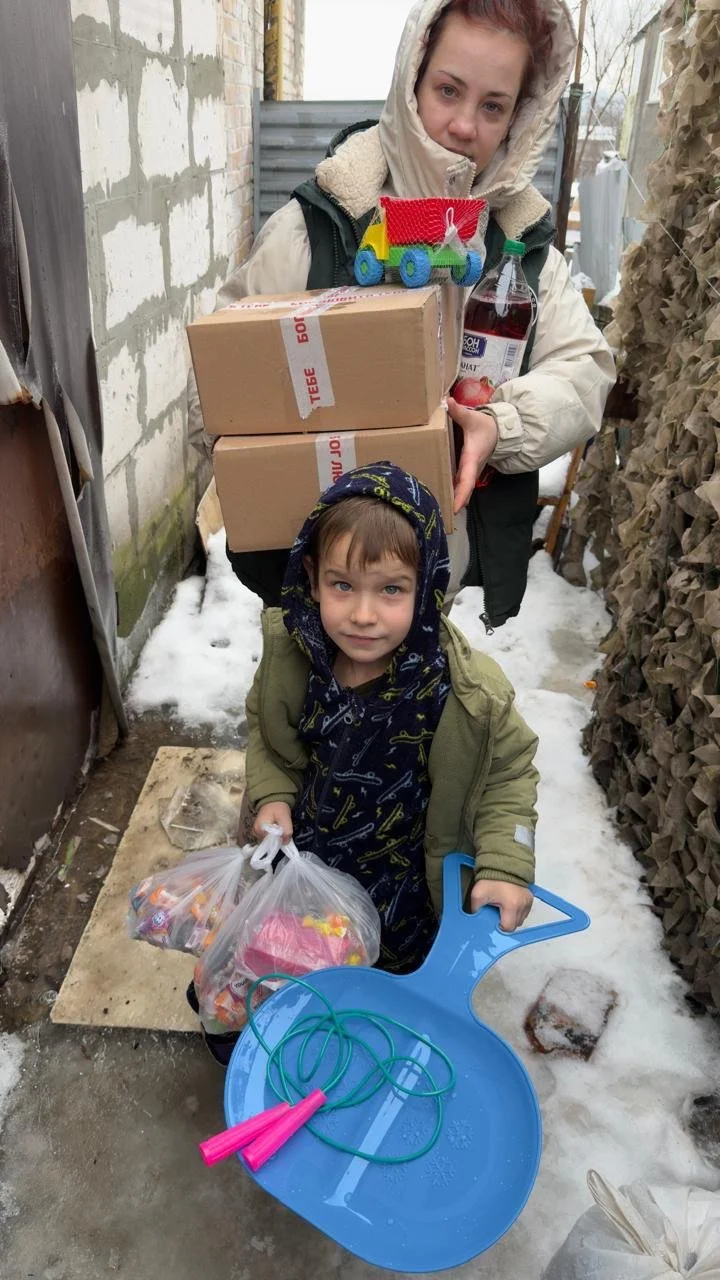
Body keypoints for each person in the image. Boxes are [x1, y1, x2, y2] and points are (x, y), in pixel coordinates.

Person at [187, 0, 615, 626]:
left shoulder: (520, 250)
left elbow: (586, 370)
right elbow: (218, 387)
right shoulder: (318, 228)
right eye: (449, 90)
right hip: (315, 585)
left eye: (493, 105)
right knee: (301, 717)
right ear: (411, 82)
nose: (465, 125)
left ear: (520, 116)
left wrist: (502, 424)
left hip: (441, 586)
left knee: (426, 719)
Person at [244, 462, 539, 986]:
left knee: (385, 1000)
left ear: (426, 587)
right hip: (307, 878)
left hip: (406, 898)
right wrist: (272, 795)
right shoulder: (295, 663)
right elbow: (268, 739)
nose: (363, 614)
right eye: (343, 585)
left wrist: (505, 864)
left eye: (391, 590)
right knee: (299, 982)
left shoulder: (465, 693)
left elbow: (507, 774)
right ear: (312, 579)